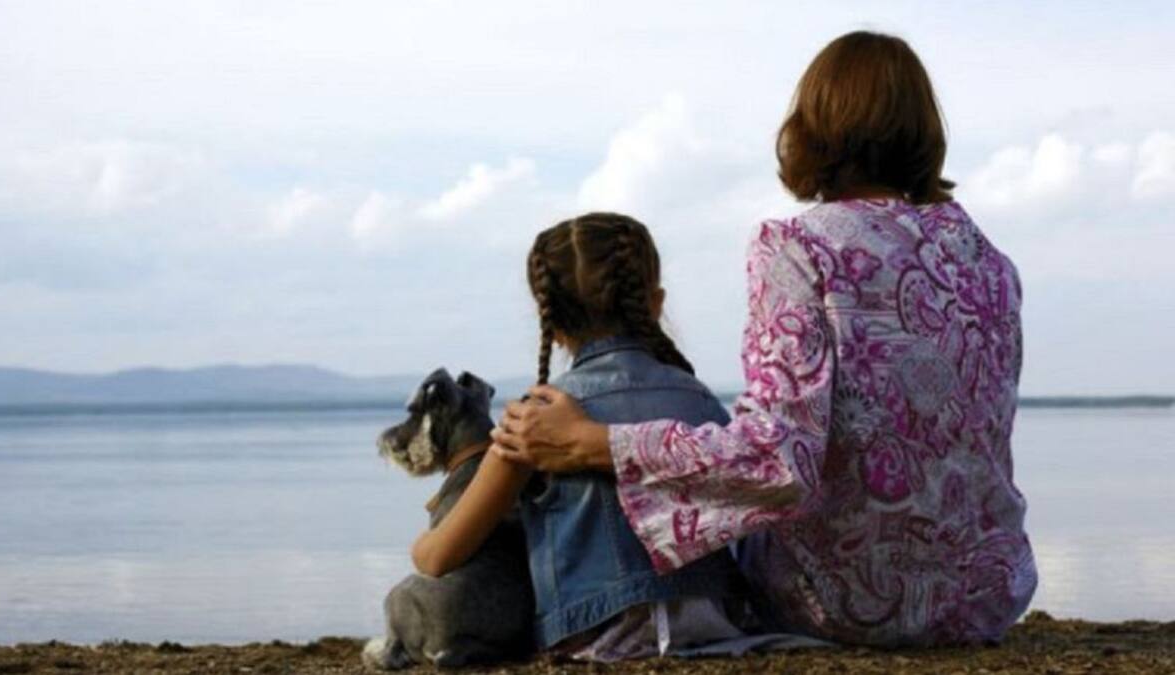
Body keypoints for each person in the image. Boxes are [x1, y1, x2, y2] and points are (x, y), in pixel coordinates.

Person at [490, 31, 1038, 646]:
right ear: (924, 132)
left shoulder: (800, 246)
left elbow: (780, 461)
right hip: (988, 593)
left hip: (851, 601)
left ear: (813, 128)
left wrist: (598, 443)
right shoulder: (990, 262)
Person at [410, 212, 752, 661]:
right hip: (715, 620)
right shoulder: (699, 397)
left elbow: (440, 557)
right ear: (654, 303)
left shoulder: (535, 420)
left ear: (549, 323)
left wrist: (420, 544)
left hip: (591, 630)